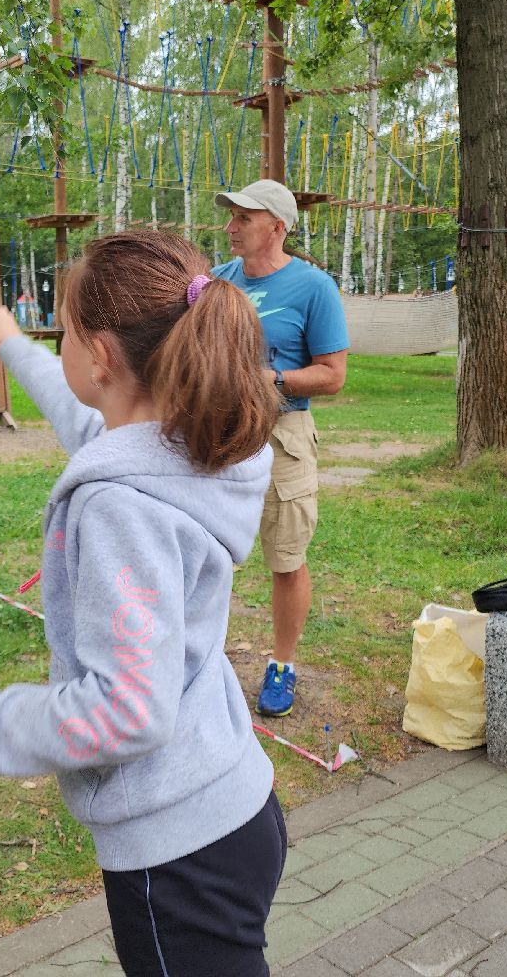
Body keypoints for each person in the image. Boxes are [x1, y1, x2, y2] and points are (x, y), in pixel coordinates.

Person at [0, 231, 288, 975]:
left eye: (59, 331)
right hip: (234, 807)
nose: (54, 344)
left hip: (179, 858)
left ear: (99, 356)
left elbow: (126, 710)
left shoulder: (123, 505)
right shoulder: (189, 449)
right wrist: (7, 343)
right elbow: (86, 422)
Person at [210, 180, 350, 718]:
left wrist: (273, 380)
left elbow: (333, 375)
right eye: (231, 217)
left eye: (243, 217)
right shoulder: (216, 283)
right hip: (217, 435)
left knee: (286, 560)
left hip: (281, 434)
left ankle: (282, 666)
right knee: (207, 552)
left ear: (277, 225)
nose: (230, 226)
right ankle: (201, 659)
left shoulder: (314, 288)